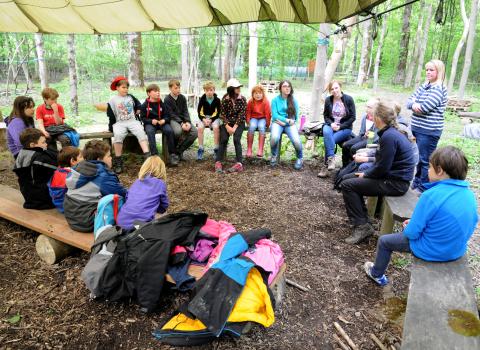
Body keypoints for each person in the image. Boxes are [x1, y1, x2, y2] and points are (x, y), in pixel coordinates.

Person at [364, 146, 478, 286]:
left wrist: (409, 226)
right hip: (455, 250)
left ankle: (377, 274)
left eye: (429, 167)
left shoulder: (430, 196)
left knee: (384, 241)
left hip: (431, 250)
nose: (428, 171)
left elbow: (412, 233)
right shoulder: (469, 195)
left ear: (440, 170)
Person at [340, 100, 416, 244]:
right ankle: (364, 220)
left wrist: (366, 174)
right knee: (347, 178)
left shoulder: (389, 136)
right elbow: (382, 163)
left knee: (348, 185)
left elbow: (382, 167)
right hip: (391, 178)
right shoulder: (389, 133)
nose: (371, 117)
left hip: (396, 183)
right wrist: (366, 172)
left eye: (373, 115)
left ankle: (362, 226)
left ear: (378, 119)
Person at [64, 140, 127, 233]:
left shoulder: (78, 168)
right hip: (88, 222)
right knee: (119, 200)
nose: (111, 158)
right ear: (98, 159)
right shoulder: (102, 176)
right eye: (109, 156)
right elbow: (122, 193)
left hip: (72, 218)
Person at [406, 59, 448, 193]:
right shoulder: (425, 85)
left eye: (432, 70)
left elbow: (425, 107)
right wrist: (413, 104)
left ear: (439, 71)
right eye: (427, 70)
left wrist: (416, 104)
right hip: (417, 128)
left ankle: (423, 187)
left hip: (429, 131)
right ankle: (416, 182)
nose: (428, 72)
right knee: (418, 158)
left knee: (425, 161)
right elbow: (408, 101)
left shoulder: (439, 88)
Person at [107, 75, 150, 174]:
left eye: (127, 87)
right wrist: (110, 127)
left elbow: (139, 104)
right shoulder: (113, 100)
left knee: (140, 132)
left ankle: (147, 157)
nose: (125, 89)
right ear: (117, 88)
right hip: (119, 123)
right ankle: (118, 160)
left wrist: (138, 109)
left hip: (132, 121)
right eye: (123, 87)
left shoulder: (131, 97)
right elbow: (110, 114)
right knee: (118, 135)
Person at [116, 156, 169, 230]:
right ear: (161, 169)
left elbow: (127, 198)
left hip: (121, 222)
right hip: (139, 225)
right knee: (165, 215)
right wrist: (154, 208)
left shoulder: (137, 181)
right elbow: (164, 206)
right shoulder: (160, 183)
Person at [318, 80, 356, 178]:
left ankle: (326, 166)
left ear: (340, 87)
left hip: (345, 128)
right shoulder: (328, 100)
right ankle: (331, 159)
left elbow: (352, 117)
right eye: (332, 89)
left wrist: (340, 126)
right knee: (326, 131)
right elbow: (326, 116)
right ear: (330, 91)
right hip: (331, 125)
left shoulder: (349, 99)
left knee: (330, 140)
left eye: (336, 88)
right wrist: (331, 124)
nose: (334, 90)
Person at [13, 128, 57, 209]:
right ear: (32, 145)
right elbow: (58, 169)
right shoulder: (40, 158)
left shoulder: (21, 153)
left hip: (28, 196)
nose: (46, 144)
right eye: (43, 142)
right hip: (43, 200)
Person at [140, 83, 178, 166]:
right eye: (155, 91)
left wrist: (164, 120)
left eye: (158, 91)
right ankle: (154, 156)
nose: (158, 93)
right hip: (150, 123)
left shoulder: (162, 104)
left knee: (169, 131)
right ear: (149, 93)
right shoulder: (144, 105)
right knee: (150, 132)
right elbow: (142, 118)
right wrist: (150, 121)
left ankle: (172, 155)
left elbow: (168, 116)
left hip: (162, 122)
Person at [215, 78, 247, 173]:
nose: (239, 89)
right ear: (231, 89)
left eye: (239, 87)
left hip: (238, 122)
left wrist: (234, 127)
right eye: (237, 87)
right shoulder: (225, 99)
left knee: (236, 139)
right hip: (227, 122)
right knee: (224, 139)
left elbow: (242, 115)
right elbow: (222, 114)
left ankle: (239, 163)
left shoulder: (242, 99)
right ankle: (218, 161)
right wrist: (227, 126)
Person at [270, 80, 303, 170]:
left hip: (289, 124)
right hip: (277, 122)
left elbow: (295, 117)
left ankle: (300, 158)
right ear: (280, 88)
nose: (287, 88)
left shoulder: (293, 100)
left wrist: (288, 122)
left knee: (296, 141)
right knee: (274, 137)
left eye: (288, 86)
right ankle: (273, 155)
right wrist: (285, 120)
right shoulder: (275, 100)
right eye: (284, 86)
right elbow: (275, 115)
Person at [163, 79, 198, 160]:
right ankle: (173, 152)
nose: (178, 90)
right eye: (176, 88)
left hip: (184, 120)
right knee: (178, 131)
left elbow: (186, 111)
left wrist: (188, 122)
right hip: (173, 120)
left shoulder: (182, 98)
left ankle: (179, 151)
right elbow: (171, 114)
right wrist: (181, 123)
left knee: (194, 133)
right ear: (170, 88)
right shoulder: (167, 99)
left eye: (179, 87)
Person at [340, 98, 379, 168]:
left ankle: (353, 166)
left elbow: (374, 138)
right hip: (363, 137)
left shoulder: (377, 119)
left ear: (376, 109)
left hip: (371, 140)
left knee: (354, 148)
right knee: (345, 145)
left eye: (369, 107)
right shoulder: (365, 117)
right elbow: (361, 132)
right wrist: (364, 135)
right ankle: (345, 166)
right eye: (366, 106)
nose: (367, 109)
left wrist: (369, 135)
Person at [48, 146, 83, 213]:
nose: (84, 158)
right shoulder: (72, 175)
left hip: (60, 206)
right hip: (71, 209)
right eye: (81, 157)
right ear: (72, 161)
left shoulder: (57, 172)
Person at [196, 81, 221, 160]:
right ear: (205, 91)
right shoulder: (202, 99)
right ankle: (200, 149)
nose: (209, 92)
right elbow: (199, 111)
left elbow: (218, 112)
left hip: (214, 117)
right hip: (203, 117)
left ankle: (216, 149)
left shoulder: (217, 100)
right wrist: (203, 119)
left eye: (211, 90)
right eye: (207, 90)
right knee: (200, 128)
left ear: (214, 90)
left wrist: (211, 119)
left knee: (216, 127)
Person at [246, 84, 271, 158]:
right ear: (252, 94)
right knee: (252, 126)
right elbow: (248, 112)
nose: (258, 95)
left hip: (262, 118)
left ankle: (260, 149)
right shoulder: (251, 101)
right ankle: (249, 149)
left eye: (260, 93)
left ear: (263, 94)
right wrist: (248, 121)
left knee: (261, 127)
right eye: (256, 93)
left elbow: (268, 113)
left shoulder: (265, 102)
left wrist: (268, 123)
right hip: (254, 118)